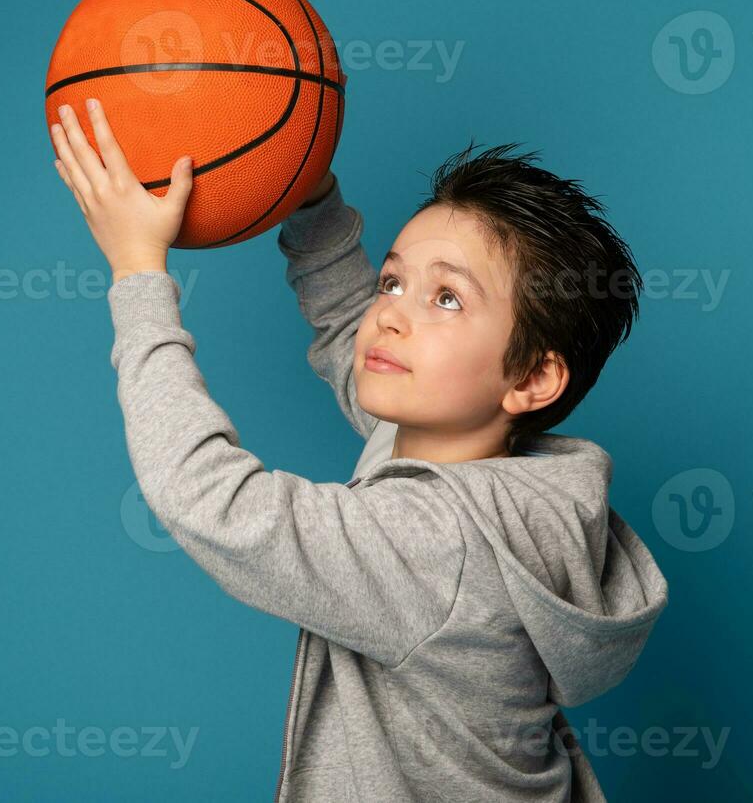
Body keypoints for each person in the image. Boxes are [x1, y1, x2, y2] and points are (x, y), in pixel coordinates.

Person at [49, 98, 669, 802]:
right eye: (394, 282)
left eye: (446, 300)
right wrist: (307, 188)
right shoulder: (476, 465)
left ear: (530, 378)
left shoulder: (436, 541)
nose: (392, 315)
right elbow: (352, 324)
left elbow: (209, 498)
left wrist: (137, 274)